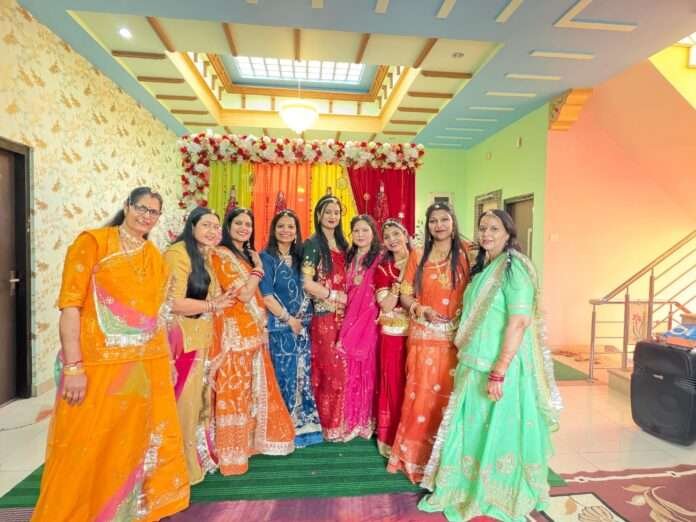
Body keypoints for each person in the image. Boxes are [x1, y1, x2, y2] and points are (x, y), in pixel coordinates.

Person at [32, 187, 189, 522]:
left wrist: (167, 362)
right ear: (127, 206)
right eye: (141, 208)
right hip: (99, 365)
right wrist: (73, 366)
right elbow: (70, 306)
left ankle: (127, 512)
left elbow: (159, 316)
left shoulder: (155, 258)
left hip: (146, 367)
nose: (146, 216)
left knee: (135, 442)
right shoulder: (93, 243)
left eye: (153, 212)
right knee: (88, 444)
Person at [418, 209, 562, 522]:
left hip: (499, 367)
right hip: (474, 363)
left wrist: (499, 370)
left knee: (499, 431)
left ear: (509, 233)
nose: (486, 234)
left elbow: (519, 321)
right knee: (472, 428)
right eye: (483, 228)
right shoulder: (487, 266)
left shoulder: (514, 268)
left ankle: (497, 491)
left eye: (494, 228)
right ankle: (466, 487)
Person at [387, 202, 471, 484]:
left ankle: (449, 461)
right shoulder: (418, 254)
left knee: (451, 397)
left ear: (453, 221)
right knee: (421, 397)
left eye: (444, 219)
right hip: (424, 337)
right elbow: (404, 295)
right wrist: (420, 309)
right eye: (433, 221)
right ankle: (417, 458)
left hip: (457, 339)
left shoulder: (467, 253)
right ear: (427, 225)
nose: (439, 225)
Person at [209, 207, 295, 475]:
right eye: (238, 223)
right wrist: (258, 270)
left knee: (249, 390)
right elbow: (244, 295)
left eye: (248, 224)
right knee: (234, 391)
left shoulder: (245, 255)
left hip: (253, 331)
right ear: (228, 226)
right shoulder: (220, 255)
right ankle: (232, 452)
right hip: (234, 333)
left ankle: (248, 444)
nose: (244, 228)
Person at [164, 207, 235, 484]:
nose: (212, 231)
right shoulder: (178, 254)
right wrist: (212, 305)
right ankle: (178, 469)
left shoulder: (205, 255)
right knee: (184, 404)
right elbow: (172, 302)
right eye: (206, 225)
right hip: (182, 340)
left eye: (216, 227)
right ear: (191, 226)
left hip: (200, 338)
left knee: (197, 404)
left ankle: (194, 460)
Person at [259, 209, 322, 448]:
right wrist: (289, 319)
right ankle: (282, 429)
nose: (286, 230)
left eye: (291, 226)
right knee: (283, 377)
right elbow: (266, 295)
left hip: (304, 328)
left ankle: (304, 428)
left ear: (297, 231)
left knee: (302, 376)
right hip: (281, 328)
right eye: (281, 226)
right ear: (273, 230)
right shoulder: (266, 258)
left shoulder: (300, 258)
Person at [301, 195, 349, 440]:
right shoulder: (312, 244)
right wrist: (333, 295)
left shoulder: (344, 244)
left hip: (347, 316)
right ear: (319, 215)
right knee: (330, 370)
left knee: (345, 368)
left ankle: (343, 420)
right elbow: (306, 282)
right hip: (324, 315)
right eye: (328, 211)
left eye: (336, 212)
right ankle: (329, 424)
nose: (332, 216)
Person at [337, 214, 383, 441]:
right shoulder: (349, 257)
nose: (360, 234)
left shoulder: (381, 258)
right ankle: (350, 419)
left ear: (373, 233)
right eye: (356, 231)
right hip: (349, 317)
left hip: (369, 320)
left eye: (365, 230)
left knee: (366, 368)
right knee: (349, 368)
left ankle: (364, 421)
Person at [374, 219, 411, 457]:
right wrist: (401, 280)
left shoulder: (423, 262)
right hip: (394, 335)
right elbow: (386, 306)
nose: (392, 239)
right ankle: (391, 439)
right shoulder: (383, 269)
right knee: (395, 384)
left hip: (422, 334)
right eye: (387, 237)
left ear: (406, 235)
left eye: (396, 234)